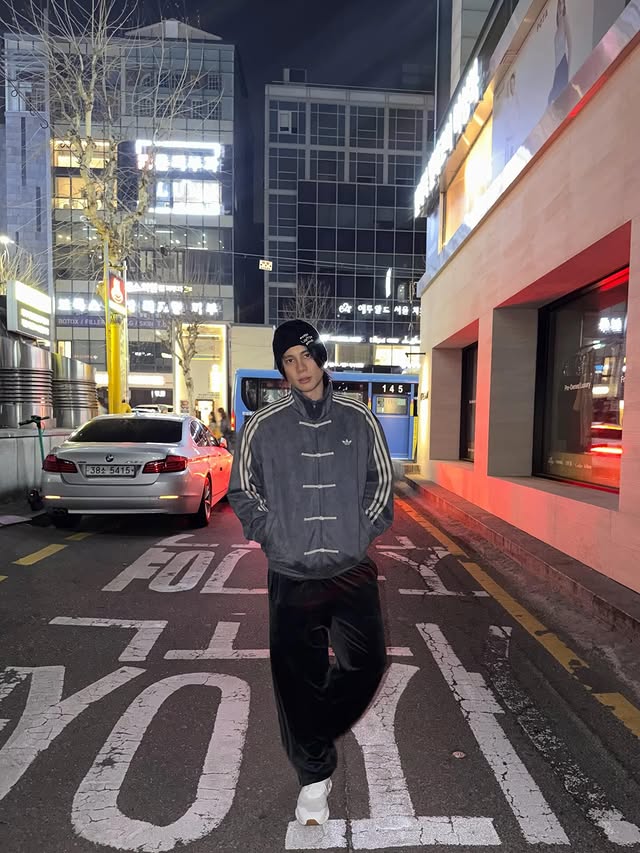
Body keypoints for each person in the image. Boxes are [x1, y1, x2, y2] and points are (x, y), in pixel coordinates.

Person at [228, 319, 393, 827]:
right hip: (292, 572)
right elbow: (243, 490)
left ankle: (311, 733)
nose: (300, 368)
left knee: (368, 664)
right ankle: (314, 777)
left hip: (350, 569)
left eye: (305, 355)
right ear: (281, 369)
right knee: (297, 677)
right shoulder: (263, 424)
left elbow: (381, 483)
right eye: (289, 360)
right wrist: (274, 534)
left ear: (321, 355)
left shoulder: (359, 419)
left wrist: (359, 533)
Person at [548, 0, 571, 105]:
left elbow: (570, 45)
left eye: (562, 3)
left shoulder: (565, 20)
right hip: (557, 67)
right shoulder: (558, 26)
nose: (561, 6)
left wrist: (569, 69)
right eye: (559, 3)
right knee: (553, 97)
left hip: (562, 65)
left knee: (554, 96)